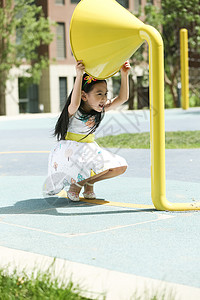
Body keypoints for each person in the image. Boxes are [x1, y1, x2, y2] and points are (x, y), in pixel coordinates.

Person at [46, 60, 131, 201]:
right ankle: (76, 185)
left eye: (105, 93)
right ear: (84, 96)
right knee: (92, 163)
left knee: (120, 166)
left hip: (89, 149)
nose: (104, 98)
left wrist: (124, 74)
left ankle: (87, 182)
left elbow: (123, 98)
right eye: (99, 94)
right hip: (70, 153)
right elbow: (75, 102)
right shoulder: (74, 110)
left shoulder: (99, 110)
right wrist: (79, 75)